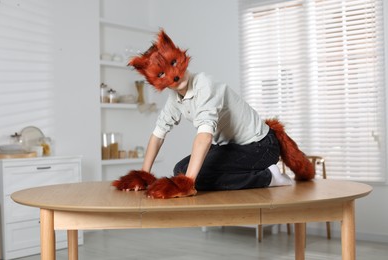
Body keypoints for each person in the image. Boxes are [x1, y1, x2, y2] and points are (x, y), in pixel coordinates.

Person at [112, 30, 314, 199]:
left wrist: (188, 184)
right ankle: (257, 175)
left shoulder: (204, 85)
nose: (173, 75)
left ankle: (268, 177)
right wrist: (145, 175)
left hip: (260, 146)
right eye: (162, 73)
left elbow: (205, 137)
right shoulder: (175, 97)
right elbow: (158, 135)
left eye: (173, 64)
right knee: (179, 169)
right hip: (230, 147)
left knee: (195, 176)